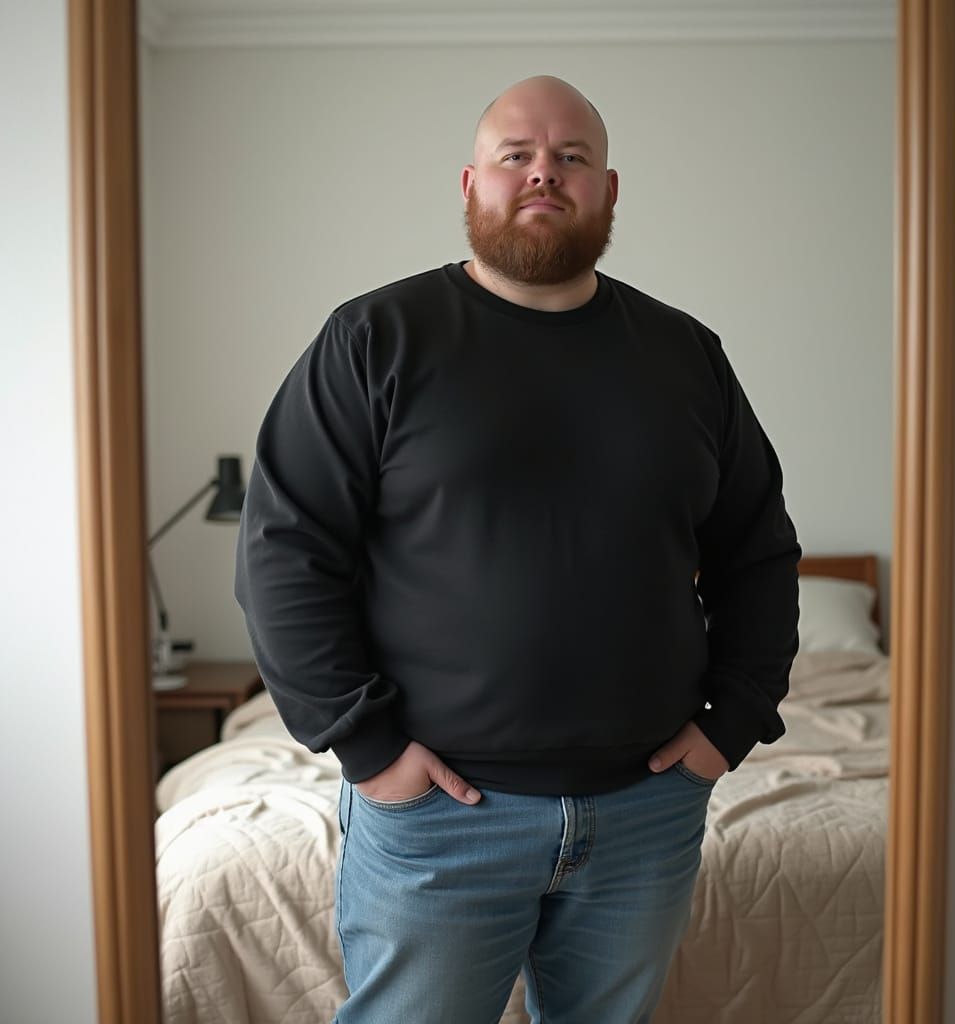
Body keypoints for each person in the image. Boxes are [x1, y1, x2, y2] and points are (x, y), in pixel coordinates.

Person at [234, 74, 801, 1024]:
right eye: (517, 155)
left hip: (646, 812)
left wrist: (733, 722)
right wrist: (369, 749)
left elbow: (758, 549)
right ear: (471, 184)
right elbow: (284, 551)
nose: (545, 173)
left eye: (572, 157)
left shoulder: (685, 355)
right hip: (440, 816)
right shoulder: (375, 340)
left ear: (608, 190)